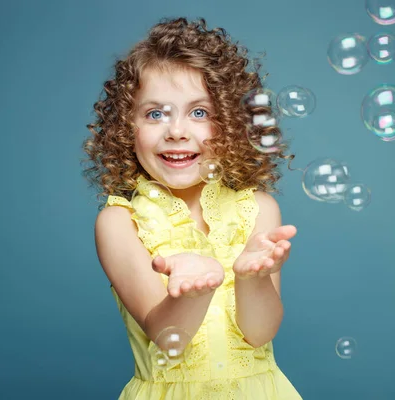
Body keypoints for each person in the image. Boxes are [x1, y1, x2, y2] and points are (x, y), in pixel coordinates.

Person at [82, 16, 302, 399]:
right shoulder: (120, 222)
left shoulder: (259, 209)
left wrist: (252, 280)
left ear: (231, 123)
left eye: (199, 112)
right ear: (125, 126)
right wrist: (193, 292)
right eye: (155, 114)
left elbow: (260, 332)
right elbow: (170, 337)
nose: (176, 131)